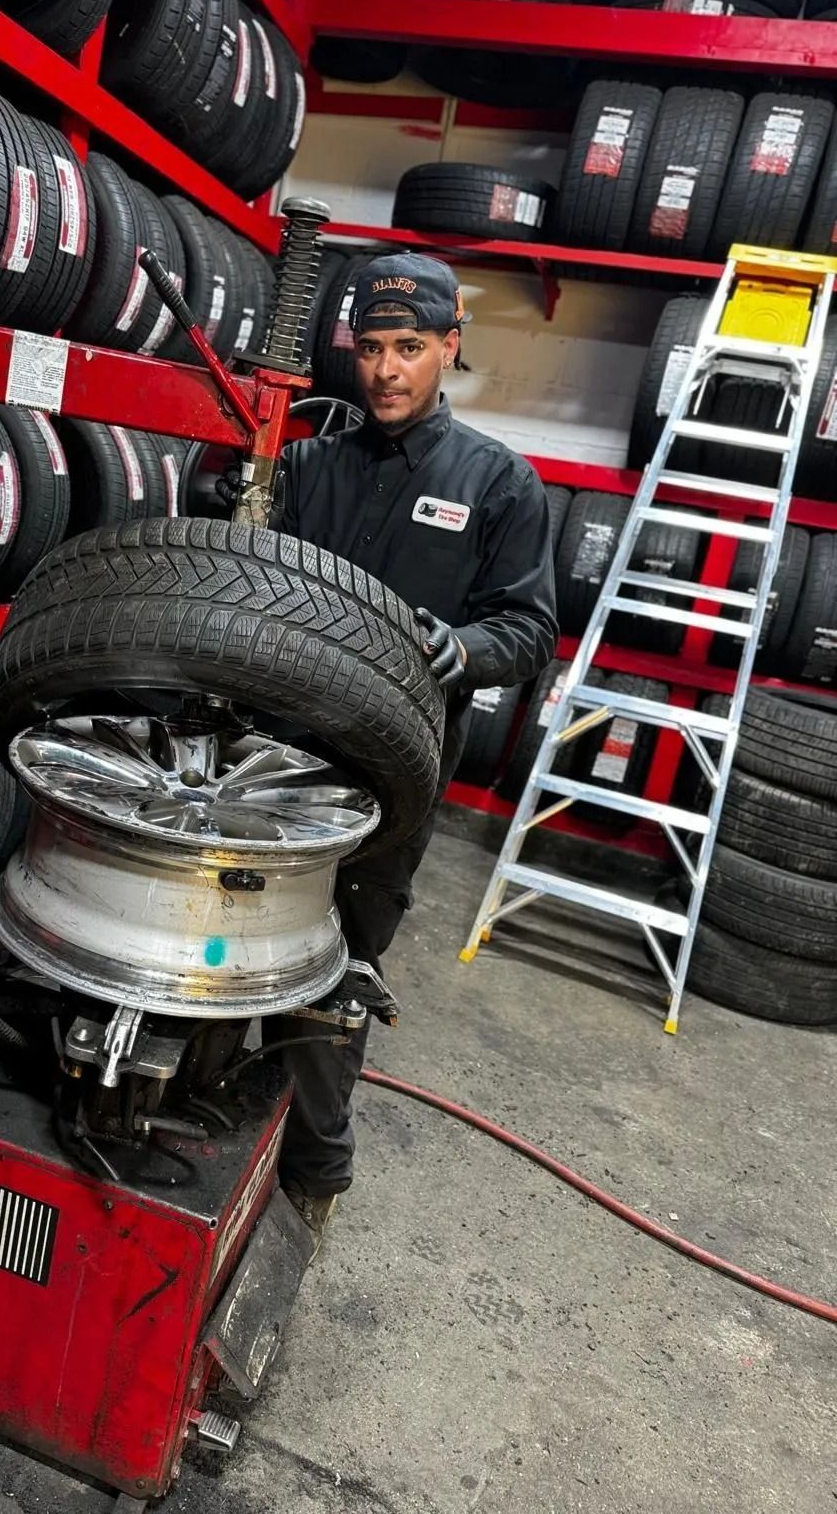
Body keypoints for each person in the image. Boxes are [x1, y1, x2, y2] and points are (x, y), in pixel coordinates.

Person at [267, 252, 558, 1254]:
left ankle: (315, 1174)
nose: (386, 371)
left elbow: (530, 630)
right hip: (278, 747)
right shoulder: (308, 465)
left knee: (341, 958)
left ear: (450, 348)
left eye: (408, 349)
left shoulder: (499, 483)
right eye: (370, 350)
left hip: (395, 769)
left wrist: (463, 649)